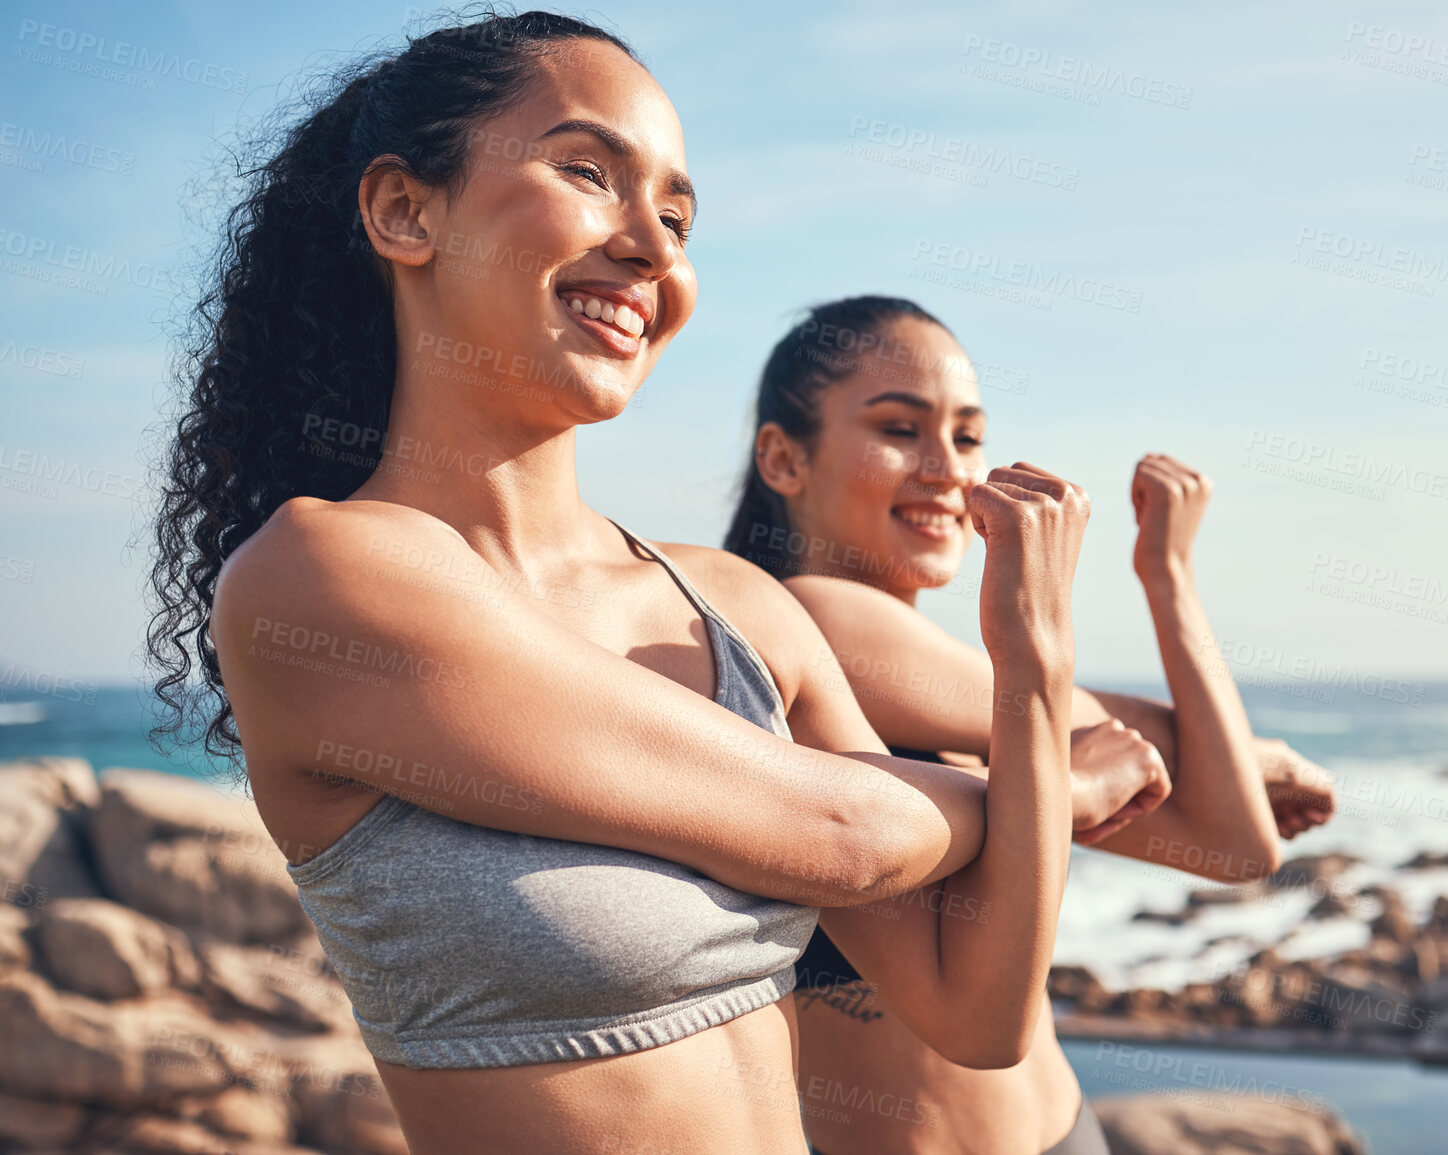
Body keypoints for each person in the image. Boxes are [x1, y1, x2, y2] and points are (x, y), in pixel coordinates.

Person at [148, 18, 1148, 1154]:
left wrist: (1037, 671)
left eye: (675, 217)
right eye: (587, 172)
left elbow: (976, 1011)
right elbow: (841, 833)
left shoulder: (737, 606)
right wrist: (1054, 784)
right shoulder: (324, 579)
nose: (652, 247)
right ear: (403, 212)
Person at [723, 296, 1338, 1154]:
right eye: (900, 428)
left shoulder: (944, 678)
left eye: (968, 437)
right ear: (783, 459)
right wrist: (1167, 592)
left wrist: (1169, 578)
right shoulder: (815, 613)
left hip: (1061, 1128)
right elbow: (1186, 781)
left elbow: (1229, 843)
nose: (946, 468)